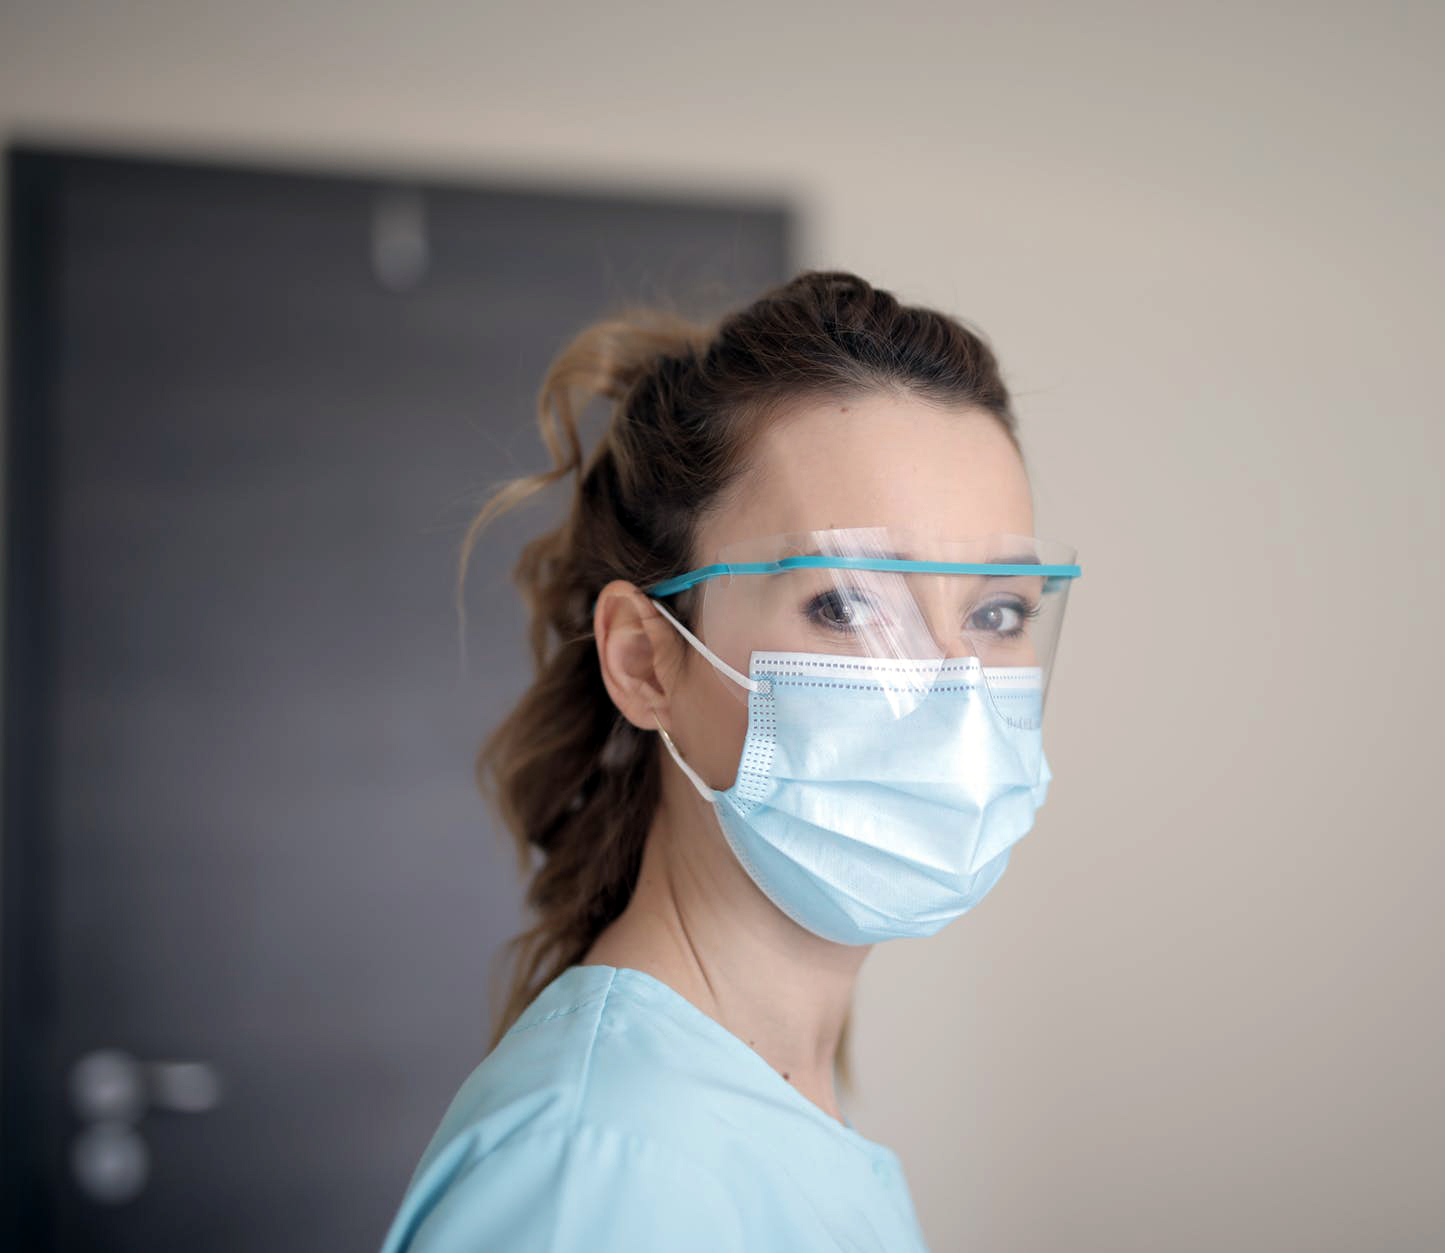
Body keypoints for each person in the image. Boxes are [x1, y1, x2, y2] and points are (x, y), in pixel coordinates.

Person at [378, 270, 1080, 1251]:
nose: (954, 696)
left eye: (997, 612)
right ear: (643, 658)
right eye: (845, 604)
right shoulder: (595, 1168)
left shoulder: (763, 1096)